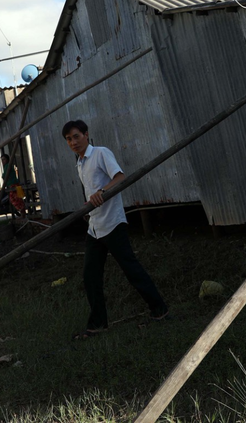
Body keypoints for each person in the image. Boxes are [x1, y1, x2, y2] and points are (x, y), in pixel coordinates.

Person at [63, 119, 168, 339]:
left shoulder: (100, 153)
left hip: (112, 223)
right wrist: (88, 205)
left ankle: (160, 310)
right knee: (91, 276)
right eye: (68, 139)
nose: (73, 142)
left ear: (86, 134)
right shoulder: (80, 163)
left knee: (131, 269)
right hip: (94, 227)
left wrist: (102, 191)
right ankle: (98, 324)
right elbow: (92, 192)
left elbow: (120, 177)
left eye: (76, 136)